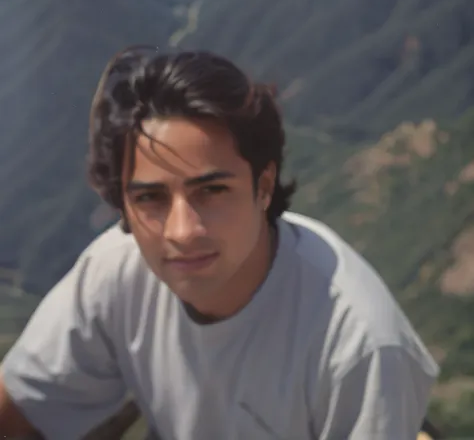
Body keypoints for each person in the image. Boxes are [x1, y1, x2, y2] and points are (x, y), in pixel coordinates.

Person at [0, 46, 439, 440]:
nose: (182, 231)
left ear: (263, 187)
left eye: (210, 191)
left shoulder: (360, 347)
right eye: (150, 198)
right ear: (124, 206)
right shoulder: (115, 272)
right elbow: (16, 406)